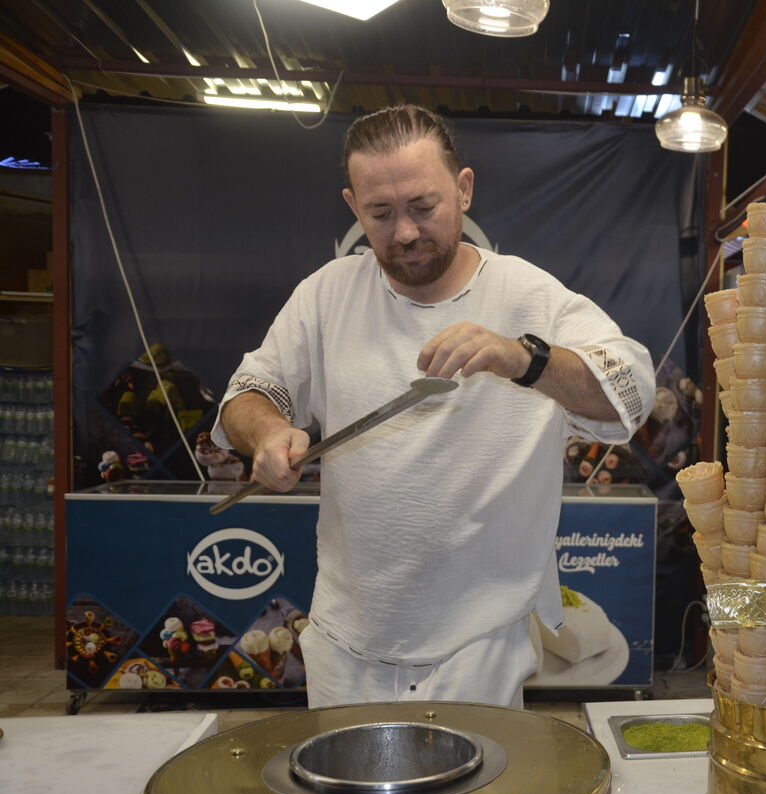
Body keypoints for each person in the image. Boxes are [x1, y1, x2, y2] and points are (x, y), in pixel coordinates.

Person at [212, 105, 656, 708]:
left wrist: (525, 358)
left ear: (464, 189)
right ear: (352, 206)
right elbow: (249, 391)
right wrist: (265, 433)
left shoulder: (529, 293)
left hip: (481, 643)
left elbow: (630, 390)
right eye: (381, 213)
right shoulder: (327, 295)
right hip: (349, 637)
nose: (404, 233)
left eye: (424, 207)